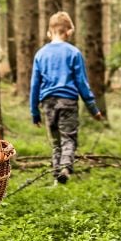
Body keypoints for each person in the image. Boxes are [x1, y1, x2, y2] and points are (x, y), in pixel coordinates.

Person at [29, 11, 104, 184]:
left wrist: (34, 111)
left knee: (55, 142)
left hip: (47, 103)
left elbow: (34, 85)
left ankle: (57, 177)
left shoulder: (40, 54)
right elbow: (82, 84)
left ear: (49, 32)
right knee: (68, 138)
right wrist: (93, 109)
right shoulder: (74, 53)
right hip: (68, 101)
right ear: (69, 32)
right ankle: (65, 169)